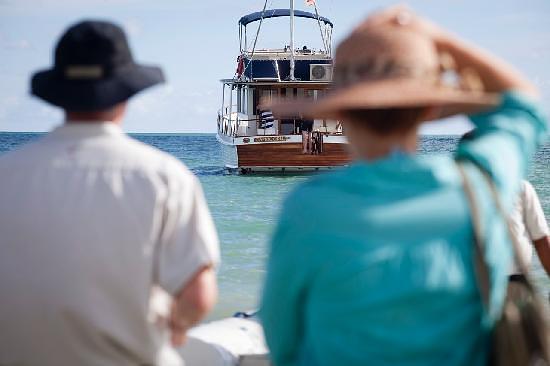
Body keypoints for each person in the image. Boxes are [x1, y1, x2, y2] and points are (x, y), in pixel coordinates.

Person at [261, 6, 547, 366]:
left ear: (341, 109)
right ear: (430, 108)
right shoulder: (478, 186)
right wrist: (432, 36)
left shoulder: (308, 207)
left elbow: (283, 339)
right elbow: (521, 107)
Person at [0, 21, 220, 365]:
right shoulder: (164, 177)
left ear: (59, 92)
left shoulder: (7, 174)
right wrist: (177, 327)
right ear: (126, 92)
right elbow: (197, 297)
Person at [462, 131, 550, 279]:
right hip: (477, 283)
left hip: (512, 279)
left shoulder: (520, 188)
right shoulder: (458, 192)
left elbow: (541, 239)